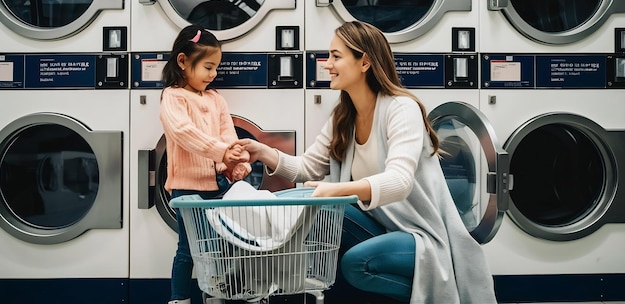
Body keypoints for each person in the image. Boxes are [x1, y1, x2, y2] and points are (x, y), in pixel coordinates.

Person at [236, 21, 497, 303]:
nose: (327, 64)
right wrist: (261, 151)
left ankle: (438, 296)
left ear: (364, 62)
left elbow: (400, 181)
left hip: (419, 235)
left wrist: (339, 190)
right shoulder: (344, 116)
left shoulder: (400, 108)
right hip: (377, 225)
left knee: (356, 261)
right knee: (325, 214)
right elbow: (306, 168)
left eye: (336, 56)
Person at [160, 24, 251, 304]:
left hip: (219, 186)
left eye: (216, 69)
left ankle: (215, 295)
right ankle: (179, 299)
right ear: (183, 62)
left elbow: (228, 136)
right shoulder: (173, 97)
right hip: (187, 189)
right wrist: (222, 152)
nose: (213, 75)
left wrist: (236, 164)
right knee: (188, 248)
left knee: (223, 245)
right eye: (208, 67)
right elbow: (184, 134)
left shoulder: (215, 99)